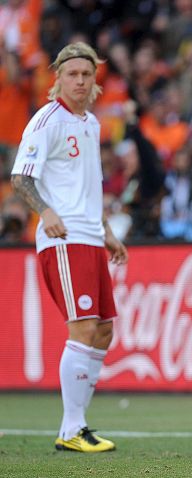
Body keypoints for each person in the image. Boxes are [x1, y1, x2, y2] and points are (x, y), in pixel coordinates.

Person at [11, 42, 127, 453]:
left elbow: (89, 186)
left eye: (86, 74)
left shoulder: (91, 123)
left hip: (91, 236)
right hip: (64, 238)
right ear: (57, 78)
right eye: (72, 74)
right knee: (83, 327)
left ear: (95, 80)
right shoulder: (47, 121)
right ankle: (73, 429)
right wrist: (45, 212)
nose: (79, 81)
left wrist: (107, 230)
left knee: (104, 330)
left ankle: (73, 427)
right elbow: (21, 177)